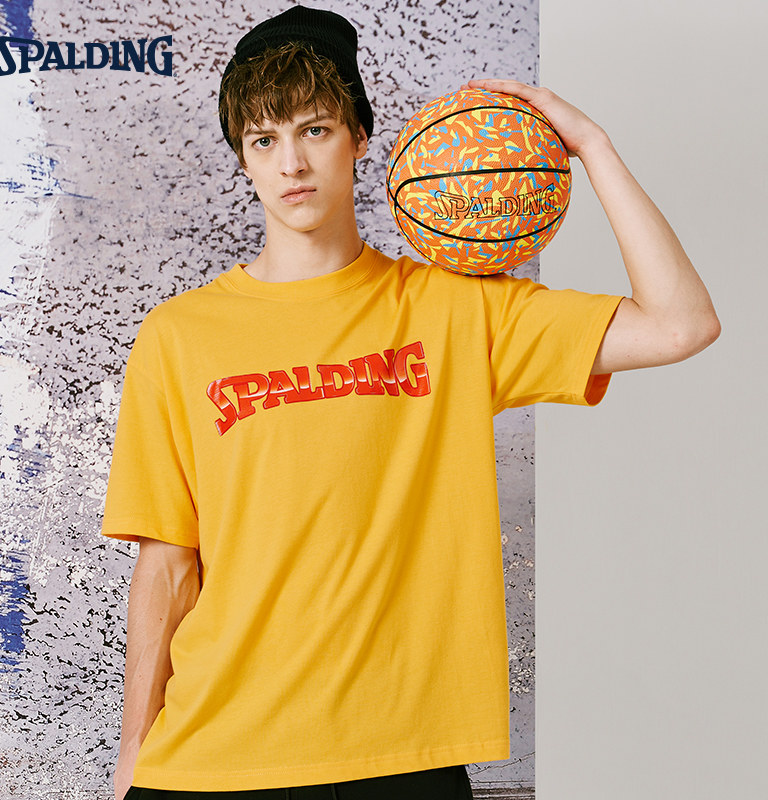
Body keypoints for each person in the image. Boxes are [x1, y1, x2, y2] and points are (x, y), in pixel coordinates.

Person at [101, 6, 720, 800]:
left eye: (315, 130)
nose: (291, 163)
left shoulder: (454, 311)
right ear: (243, 159)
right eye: (263, 140)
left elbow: (680, 323)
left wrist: (592, 146)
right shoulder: (180, 336)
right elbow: (166, 563)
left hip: (402, 758)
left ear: (360, 139)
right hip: (214, 755)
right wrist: (133, 751)